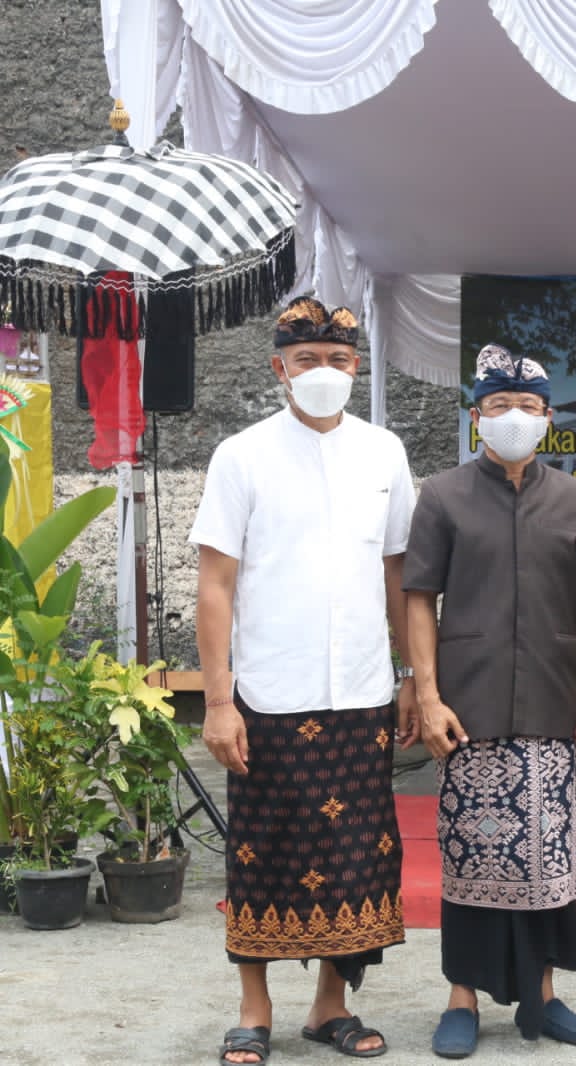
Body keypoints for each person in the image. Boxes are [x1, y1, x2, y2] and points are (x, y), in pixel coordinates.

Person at [192, 297, 415, 1065]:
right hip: (268, 692)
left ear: (358, 368)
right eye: (308, 359)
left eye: (339, 360)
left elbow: (396, 574)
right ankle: (254, 1008)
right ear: (278, 368)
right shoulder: (241, 455)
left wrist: (412, 676)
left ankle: (330, 1007)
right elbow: (216, 583)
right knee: (263, 848)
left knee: (355, 851)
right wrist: (219, 701)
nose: (325, 372)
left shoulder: (384, 452)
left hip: (360, 690)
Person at [403, 344, 576, 1058]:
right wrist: (427, 696)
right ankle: (461, 997)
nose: (512, 418)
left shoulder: (575, 499)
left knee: (549, 859)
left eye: (526, 407)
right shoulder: (443, 495)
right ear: (475, 418)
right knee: (471, 857)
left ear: (548, 417)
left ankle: (545, 996)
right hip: (470, 706)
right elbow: (419, 599)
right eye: (498, 406)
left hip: (552, 705)